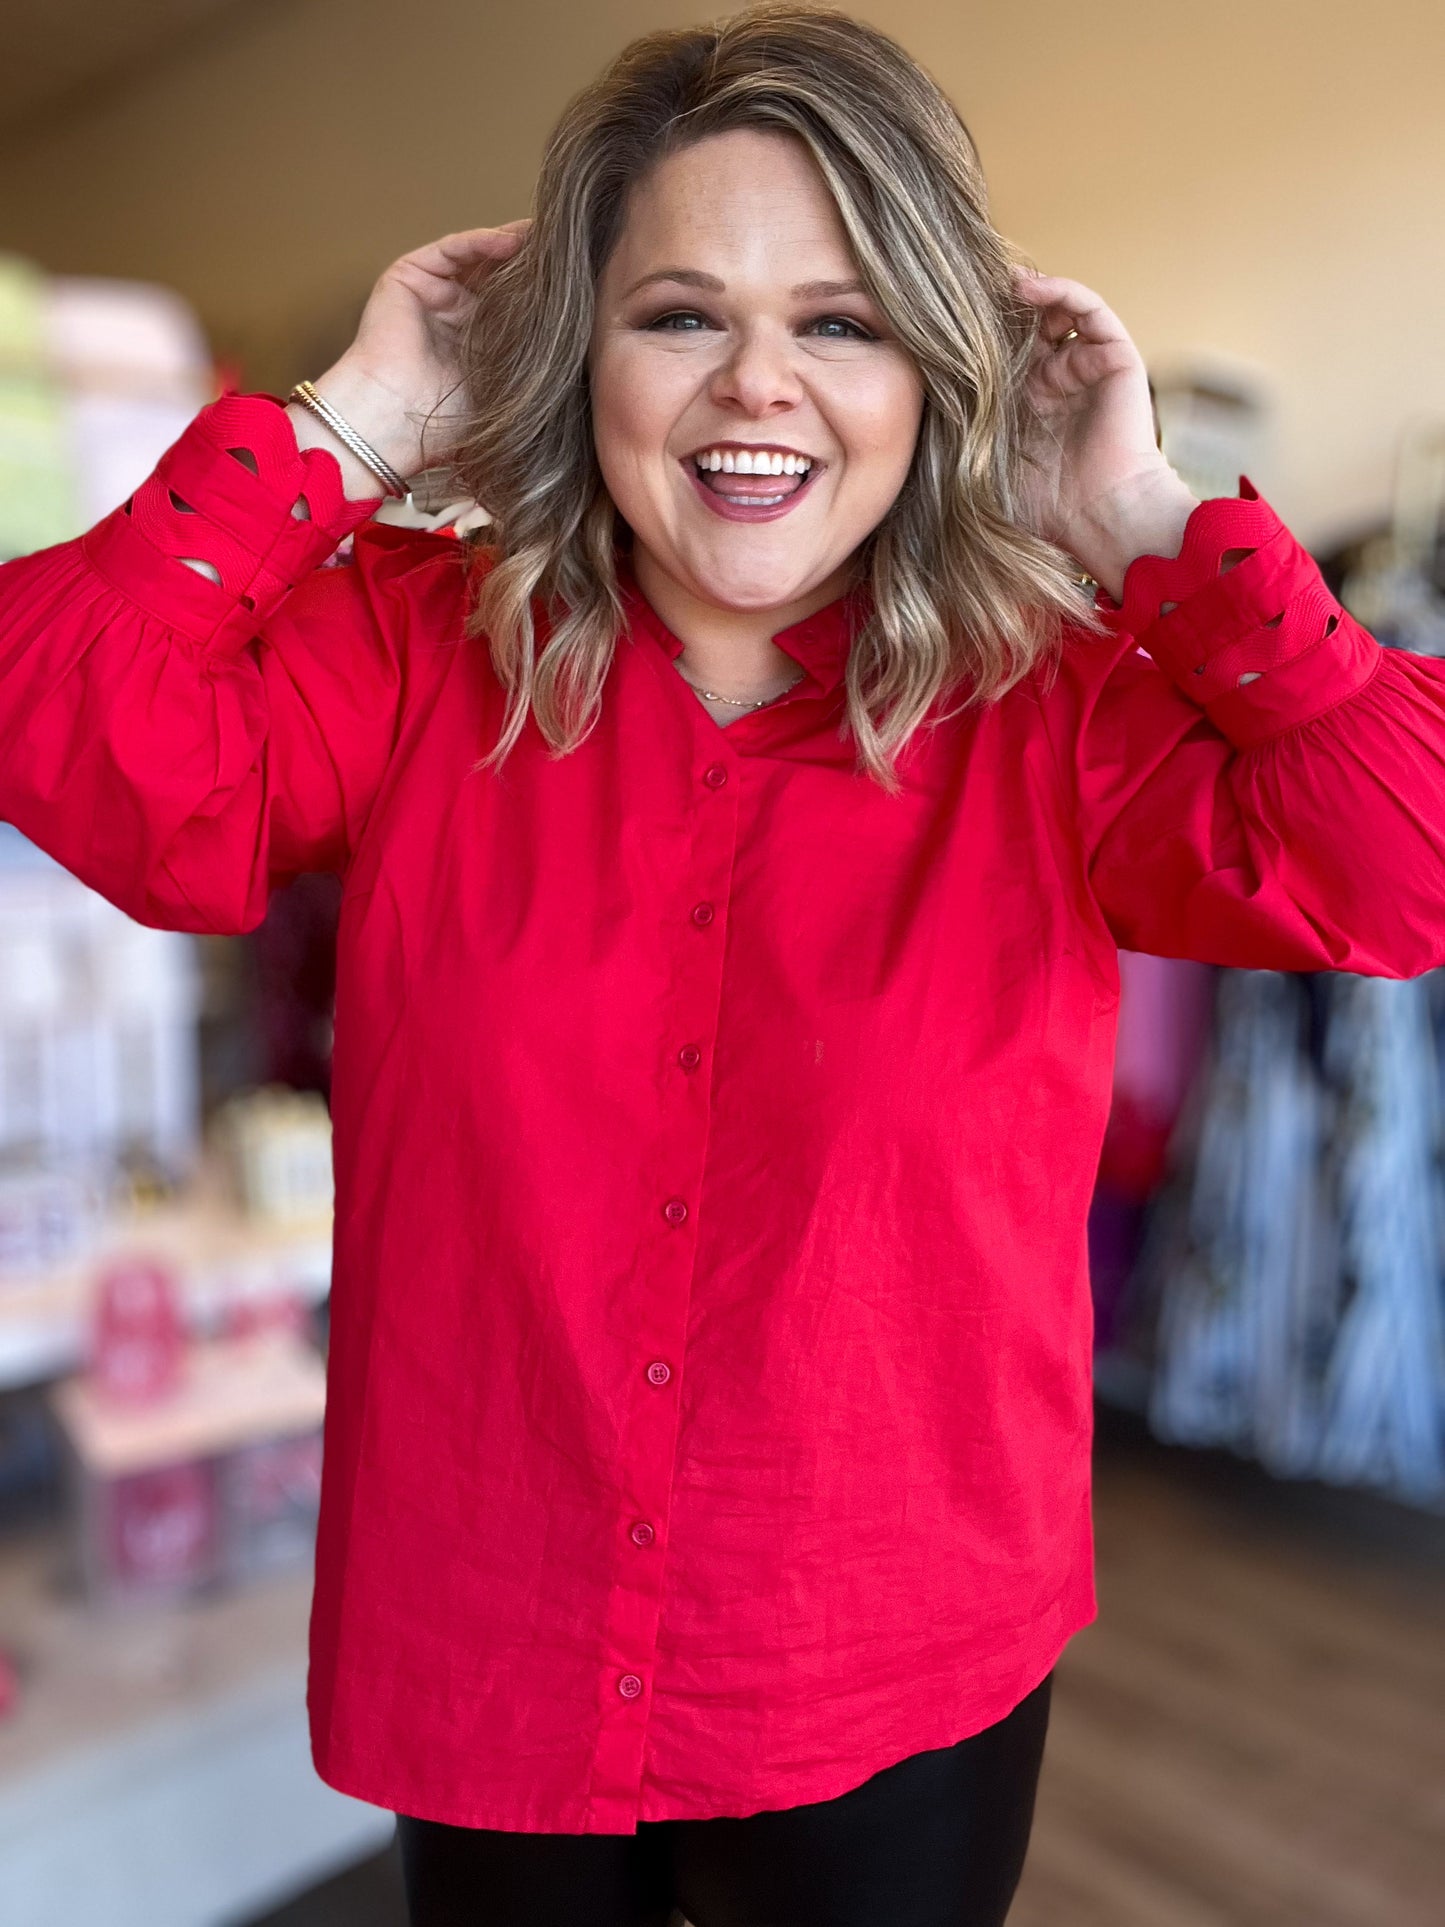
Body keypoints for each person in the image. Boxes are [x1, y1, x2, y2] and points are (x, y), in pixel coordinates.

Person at [3, 6, 1444, 1924]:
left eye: (840, 322)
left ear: (931, 369)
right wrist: (343, 432)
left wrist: (1142, 522)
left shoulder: (1059, 709)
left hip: (883, 1660)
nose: (754, 387)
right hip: (496, 1643)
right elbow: (70, 737)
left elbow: (1402, 863)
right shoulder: (423, 655)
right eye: (679, 313)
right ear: (578, 353)